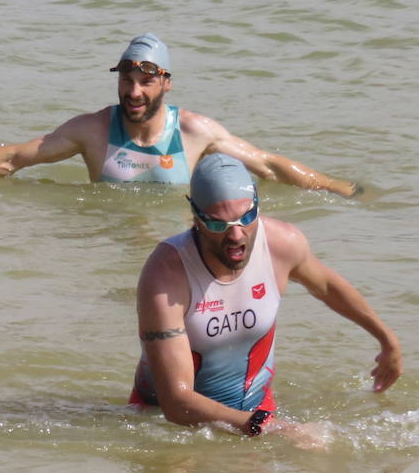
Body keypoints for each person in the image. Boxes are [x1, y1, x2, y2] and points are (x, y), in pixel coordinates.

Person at [131, 153, 401, 447]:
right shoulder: (166, 275)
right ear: (196, 217)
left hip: (257, 415)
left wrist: (387, 341)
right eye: (220, 224)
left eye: (246, 217)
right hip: (165, 428)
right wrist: (275, 429)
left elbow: (327, 287)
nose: (236, 235)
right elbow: (176, 403)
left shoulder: (281, 244)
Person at [0, 34, 358, 196]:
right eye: (126, 79)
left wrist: (342, 189)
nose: (134, 91)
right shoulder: (93, 130)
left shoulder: (196, 132)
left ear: (166, 83)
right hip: (110, 244)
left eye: (145, 81)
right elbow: (12, 158)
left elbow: (271, 166)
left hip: (175, 254)